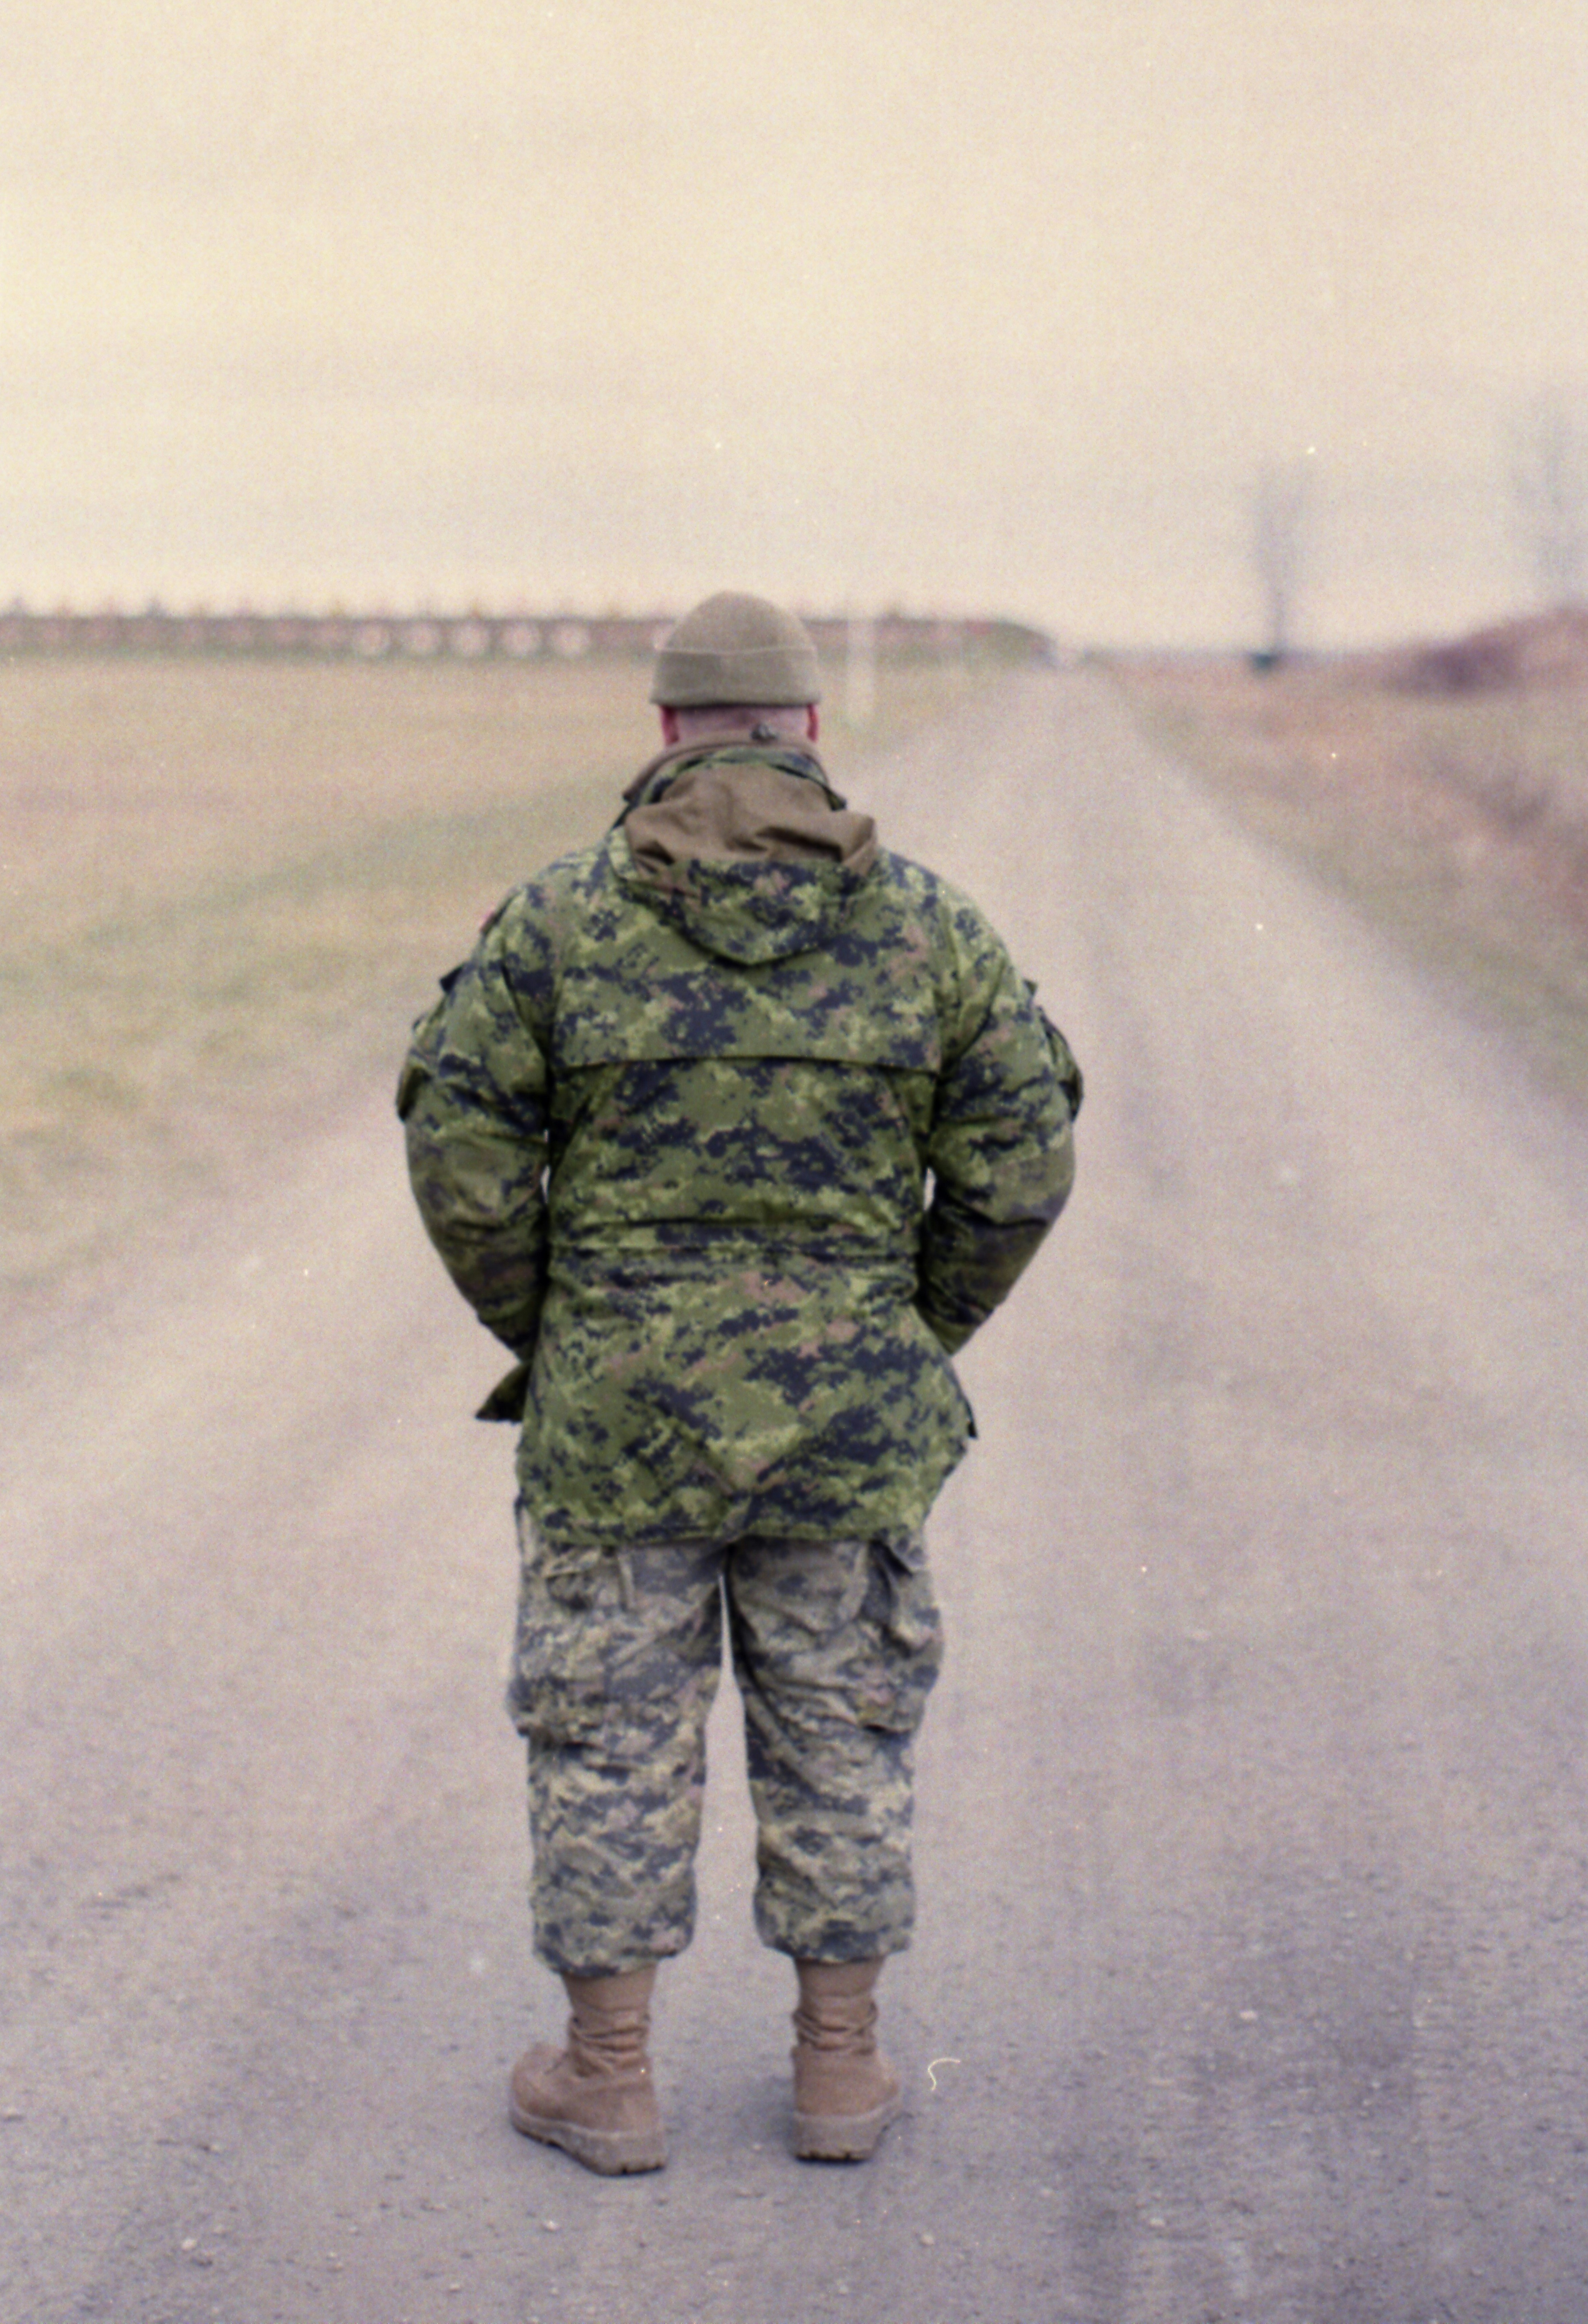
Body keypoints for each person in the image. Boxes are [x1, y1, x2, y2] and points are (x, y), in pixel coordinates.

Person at [396, 591, 1080, 2174]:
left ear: (661, 730)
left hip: (617, 1416)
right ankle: (837, 2072)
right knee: (839, 1727)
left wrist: (558, 1333)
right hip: (848, 1419)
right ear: (809, 728)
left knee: (607, 1738)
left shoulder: (558, 921)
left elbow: (462, 1158)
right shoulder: (932, 930)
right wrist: (899, 1332)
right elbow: (1021, 1161)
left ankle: (608, 2078)